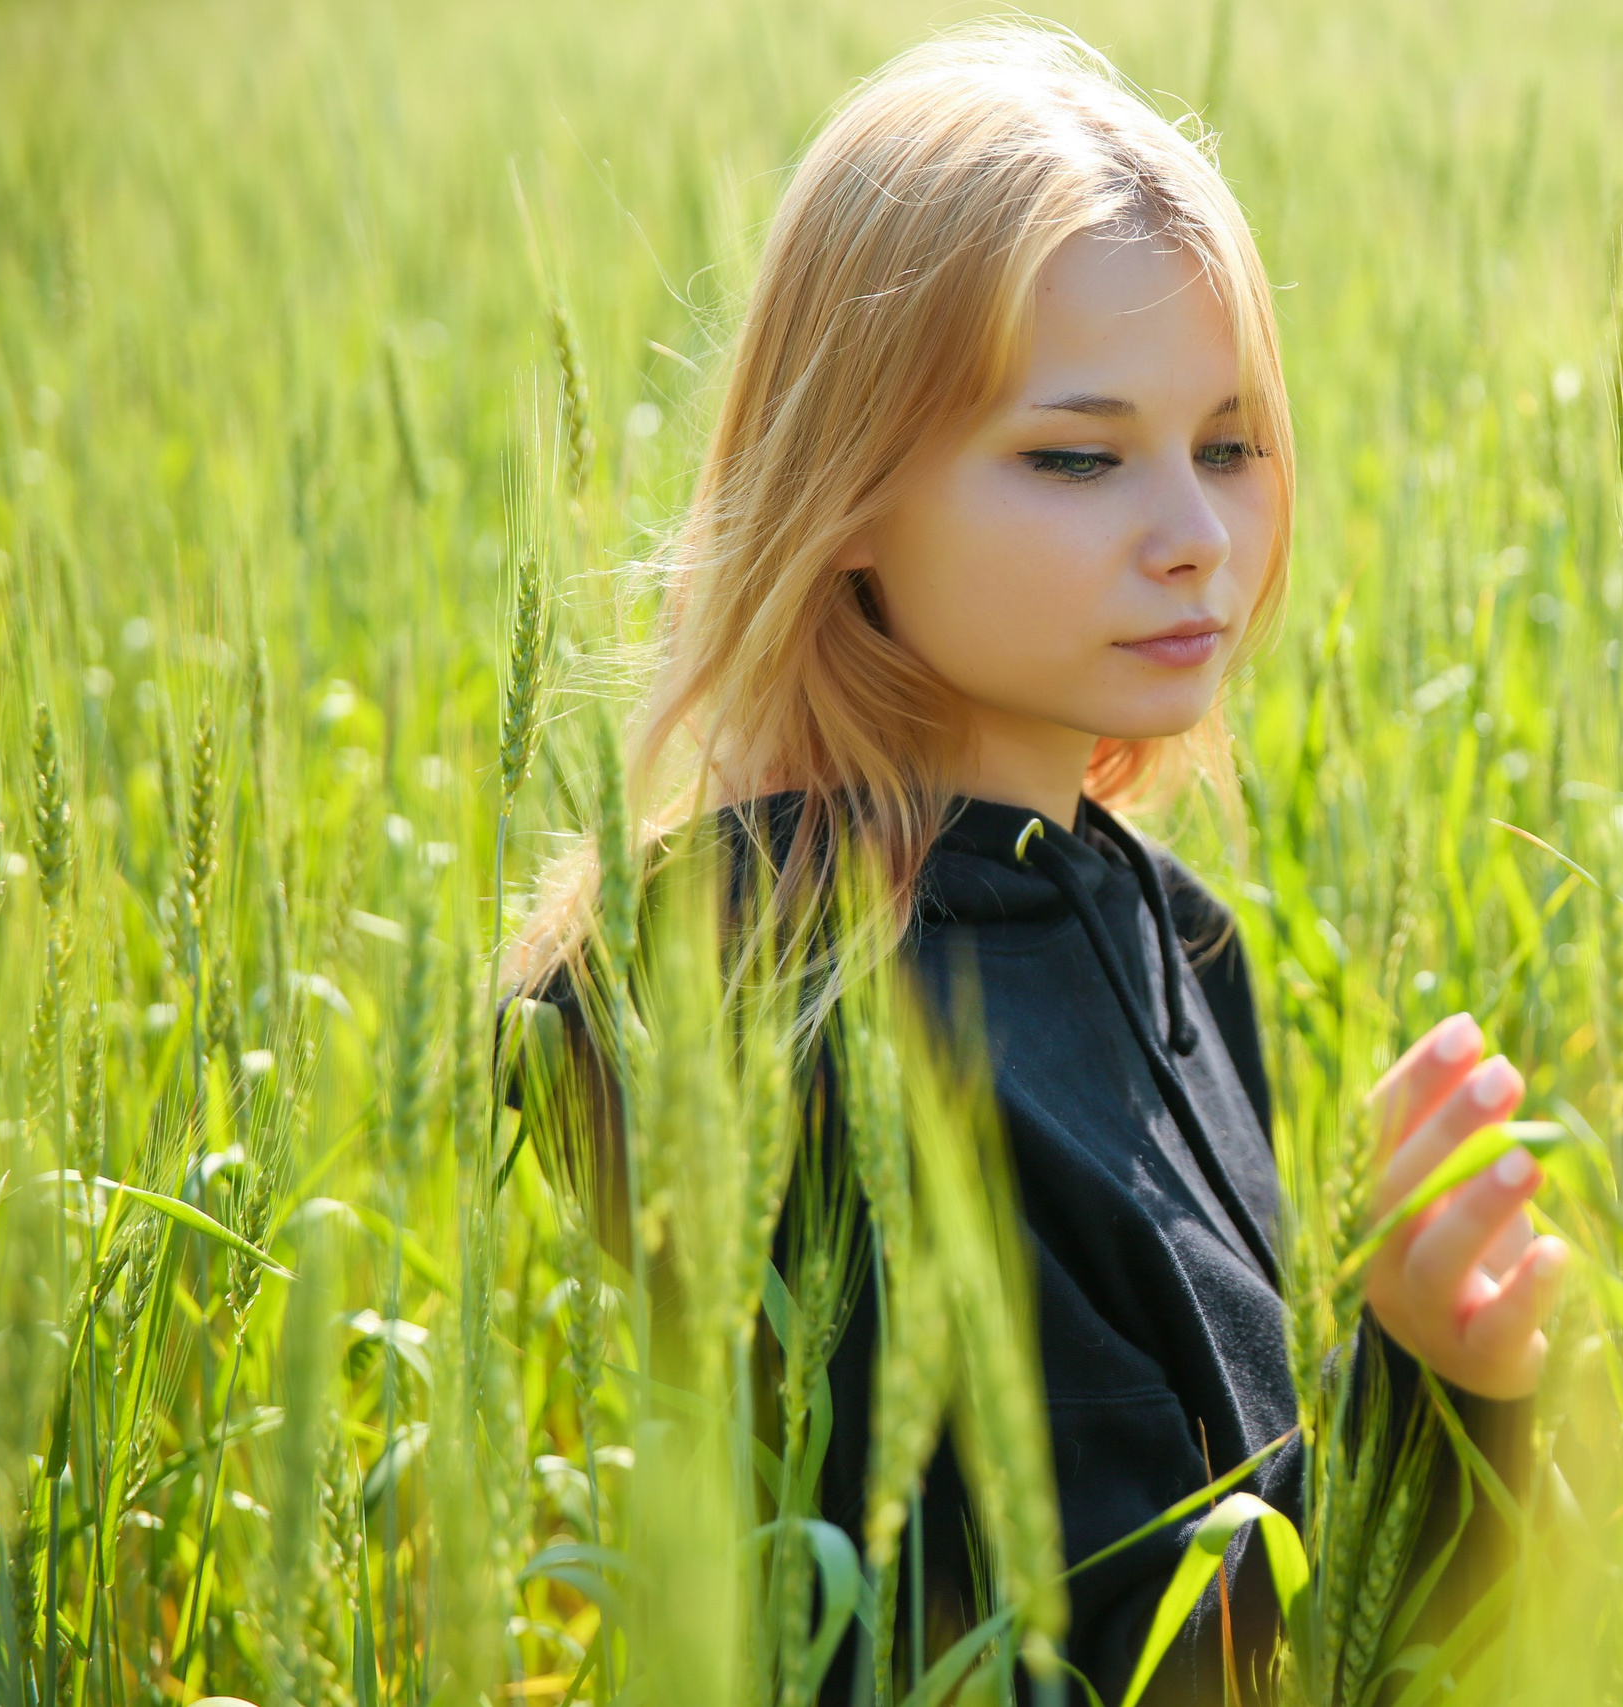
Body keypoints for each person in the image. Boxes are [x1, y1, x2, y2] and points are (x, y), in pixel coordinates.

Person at [510, 25, 1567, 1703]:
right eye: (1077, 456)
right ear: (845, 487)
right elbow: (1019, 1664)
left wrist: (1448, 1392)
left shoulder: (1181, 942)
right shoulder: (770, 1016)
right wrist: (1410, 1400)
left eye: (1227, 444)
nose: (1195, 536)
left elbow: (1317, 1639)